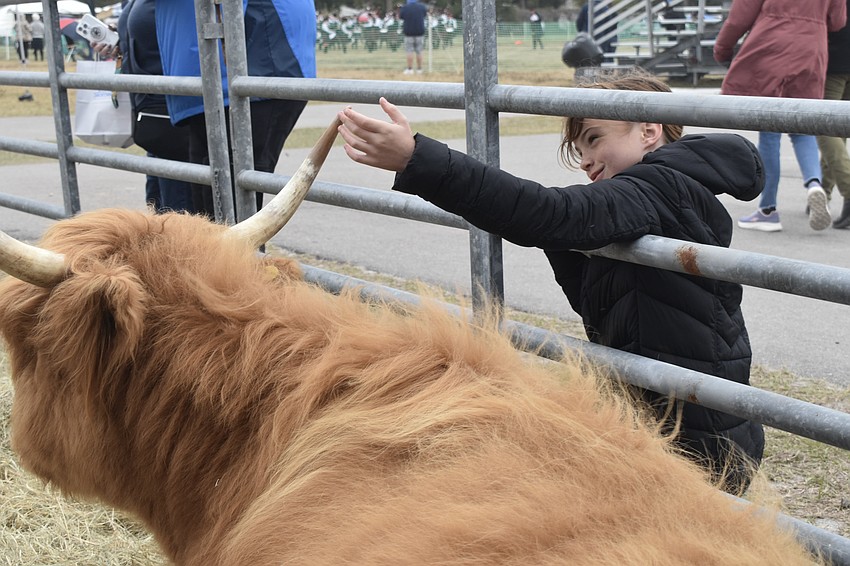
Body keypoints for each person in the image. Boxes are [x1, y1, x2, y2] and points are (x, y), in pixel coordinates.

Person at [336, 71, 766, 495]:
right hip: (665, 420)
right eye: (579, 148)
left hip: (701, 439)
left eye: (595, 138)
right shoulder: (644, 196)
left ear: (649, 130)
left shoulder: (661, 188)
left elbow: (551, 213)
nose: (585, 158)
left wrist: (417, 159)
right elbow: (567, 243)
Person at [155, 0, 315, 220]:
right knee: (211, 205)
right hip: (209, 71)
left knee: (234, 201)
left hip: (249, 61)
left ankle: (237, 253)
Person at [714, 0, 846, 233]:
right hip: (812, 51)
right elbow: (837, 22)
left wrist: (722, 50)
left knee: (769, 132)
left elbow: (739, 18)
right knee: (803, 128)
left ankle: (768, 210)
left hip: (772, 47)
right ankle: (814, 184)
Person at [90, 0, 194, 213]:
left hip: (173, 112)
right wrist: (119, 44)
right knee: (159, 204)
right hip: (150, 116)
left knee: (177, 211)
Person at [817, 0, 850, 230]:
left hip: (834, 60)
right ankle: (822, 192)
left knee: (823, 127)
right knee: (838, 130)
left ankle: (848, 190)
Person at [400, 0, 428, 75]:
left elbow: (401, 16)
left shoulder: (405, 7)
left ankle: (410, 69)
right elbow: (425, 15)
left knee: (409, 51)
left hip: (408, 32)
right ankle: (419, 69)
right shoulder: (422, 7)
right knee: (419, 51)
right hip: (419, 32)